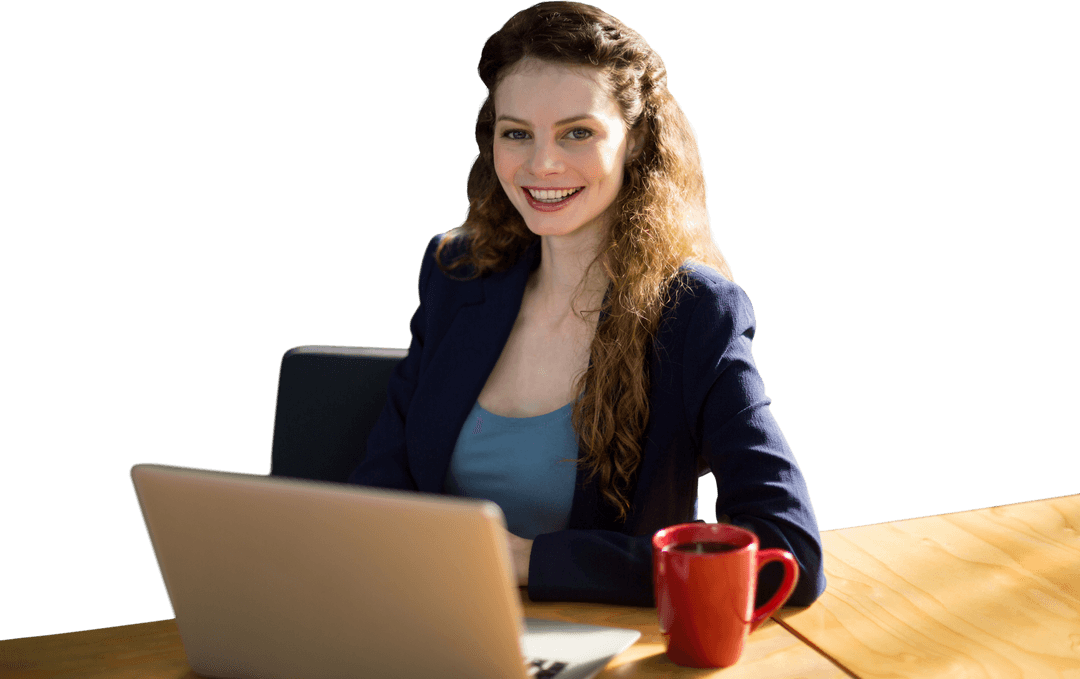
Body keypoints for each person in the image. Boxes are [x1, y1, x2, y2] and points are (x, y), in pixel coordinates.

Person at [348, 0, 825, 609]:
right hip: (426, 626)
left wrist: (524, 560)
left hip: (596, 652)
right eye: (516, 132)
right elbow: (380, 489)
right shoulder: (456, 276)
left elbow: (788, 555)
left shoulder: (696, 313)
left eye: (578, 132)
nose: (541, 163)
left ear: (635, 140)